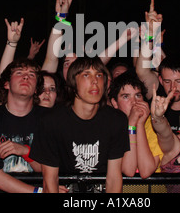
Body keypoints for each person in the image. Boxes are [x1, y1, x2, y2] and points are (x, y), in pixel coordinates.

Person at [30, 56, 130, 193]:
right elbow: (50, 181)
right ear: (73, 82)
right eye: (86, 75)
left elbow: (113, 178)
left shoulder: (116, 120)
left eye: (99, 75)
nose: (95, 81)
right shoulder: (51, 121)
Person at [0, 58, 46, 193]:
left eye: (32, 75)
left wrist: (26, 152)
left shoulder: (49, 120)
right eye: (19, 73)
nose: (26, 77)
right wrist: (40, 192)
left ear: (36, 89)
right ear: (6, 84)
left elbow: (50, 168)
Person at [108, 71, 162, 178]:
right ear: (115, 103)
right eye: (126, 97)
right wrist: (131, 125)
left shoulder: (155, 124)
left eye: (138, 95)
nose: (134, 102)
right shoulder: (111, 127)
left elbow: (146, 171)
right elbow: (129, 170)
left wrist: (140, 125)